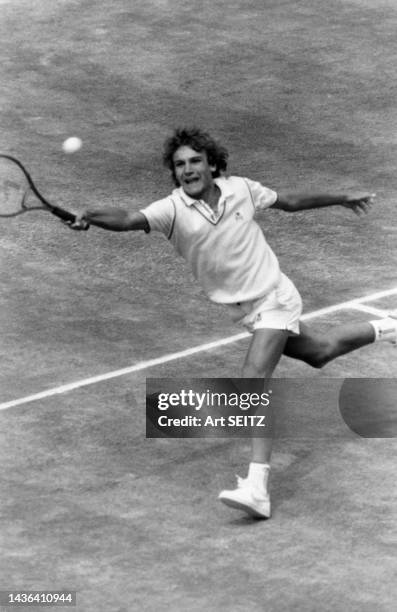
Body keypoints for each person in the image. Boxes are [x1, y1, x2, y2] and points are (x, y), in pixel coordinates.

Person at [69, 127, 396, 519]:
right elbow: (125, 219)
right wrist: (89, 214)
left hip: (275, 296)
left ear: (211, 164)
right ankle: (392, 325)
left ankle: (257, 487)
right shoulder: (170, 210)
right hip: (246, 312)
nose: (188, 170)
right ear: (174, 174)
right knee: (320, 352)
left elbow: (289, 200)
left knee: (252, 382)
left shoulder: (241, 188)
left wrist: (341, 197)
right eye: (179, 165)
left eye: (194, 161)